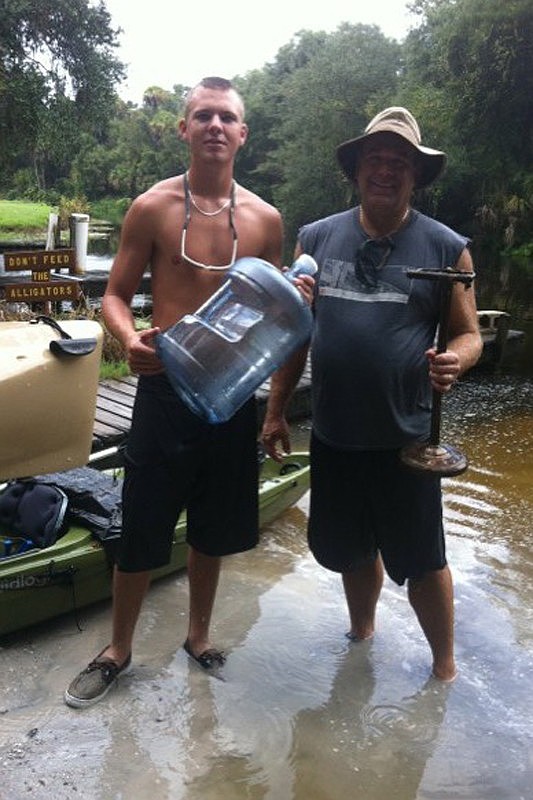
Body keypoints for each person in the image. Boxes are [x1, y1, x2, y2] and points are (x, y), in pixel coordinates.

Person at [65, 76, 313, 708]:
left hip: (232, 395)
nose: (214, 126)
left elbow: (270, 313)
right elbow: (114, 296)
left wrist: (296, 300)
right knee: (143, 520)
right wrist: (131, 339)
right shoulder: (152, 208)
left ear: (242, 134)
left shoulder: (265, 219)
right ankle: (118, 648)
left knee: (213, 525)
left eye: (226, 117)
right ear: (184, 128)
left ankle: (197, 636)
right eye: (201, 115)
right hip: (165, 388)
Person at [261, 107, 482, 682]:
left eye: (399, 162)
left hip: (408, 441)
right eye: (375, 159)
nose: (386, 170)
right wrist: (276, 410)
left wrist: (456, 359)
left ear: (416, 176)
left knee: (424, 559)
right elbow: (295, 332)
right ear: (357, 170)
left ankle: (444, 672)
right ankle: (361, 636)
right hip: (335, 433)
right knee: (351, 549)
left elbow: (468, 333)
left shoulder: (447, 248)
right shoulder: (316, 238)